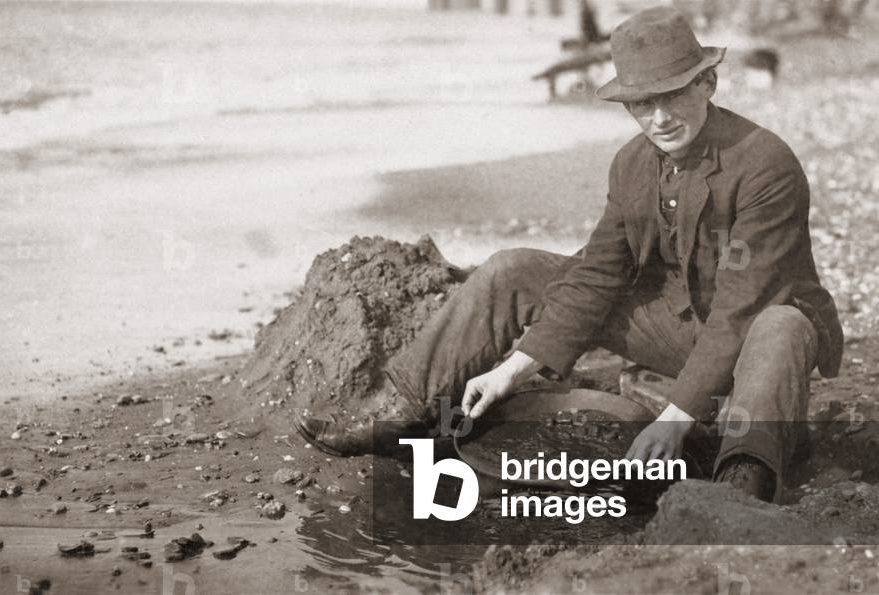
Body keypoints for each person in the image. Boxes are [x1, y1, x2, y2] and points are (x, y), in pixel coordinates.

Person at [296, 7, 842, 502]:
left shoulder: (765, 163)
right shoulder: (632, 164)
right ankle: (412, 417)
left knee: (782, 324)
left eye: (673, 95)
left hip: (755, 346)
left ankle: (742, 480)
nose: (660, 119)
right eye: (641, 103)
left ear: (708, 83)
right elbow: (596, 274)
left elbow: (738, 311)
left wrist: (675, 418)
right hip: (675, 332)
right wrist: (514, 368)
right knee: (515, 269)